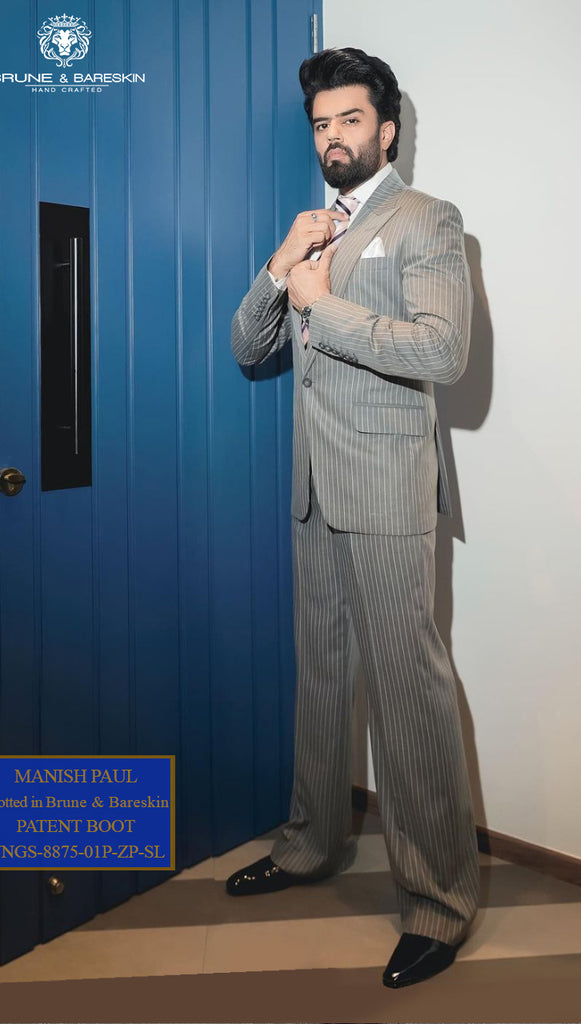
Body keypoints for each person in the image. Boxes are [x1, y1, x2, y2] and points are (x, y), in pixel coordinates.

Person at [228, 46, 480, 989]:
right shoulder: (310, 228)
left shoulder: (427, 219)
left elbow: (443, 352)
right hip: (314, 491)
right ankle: (311, 845)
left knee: (409, 694)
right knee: (323, 682)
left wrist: (323, 305)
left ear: (388, 128)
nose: (333, 136)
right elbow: (247, 348)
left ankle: (439, 904)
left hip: (386, 490)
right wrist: (281, 263)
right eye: (321, 124)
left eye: (350, 120)